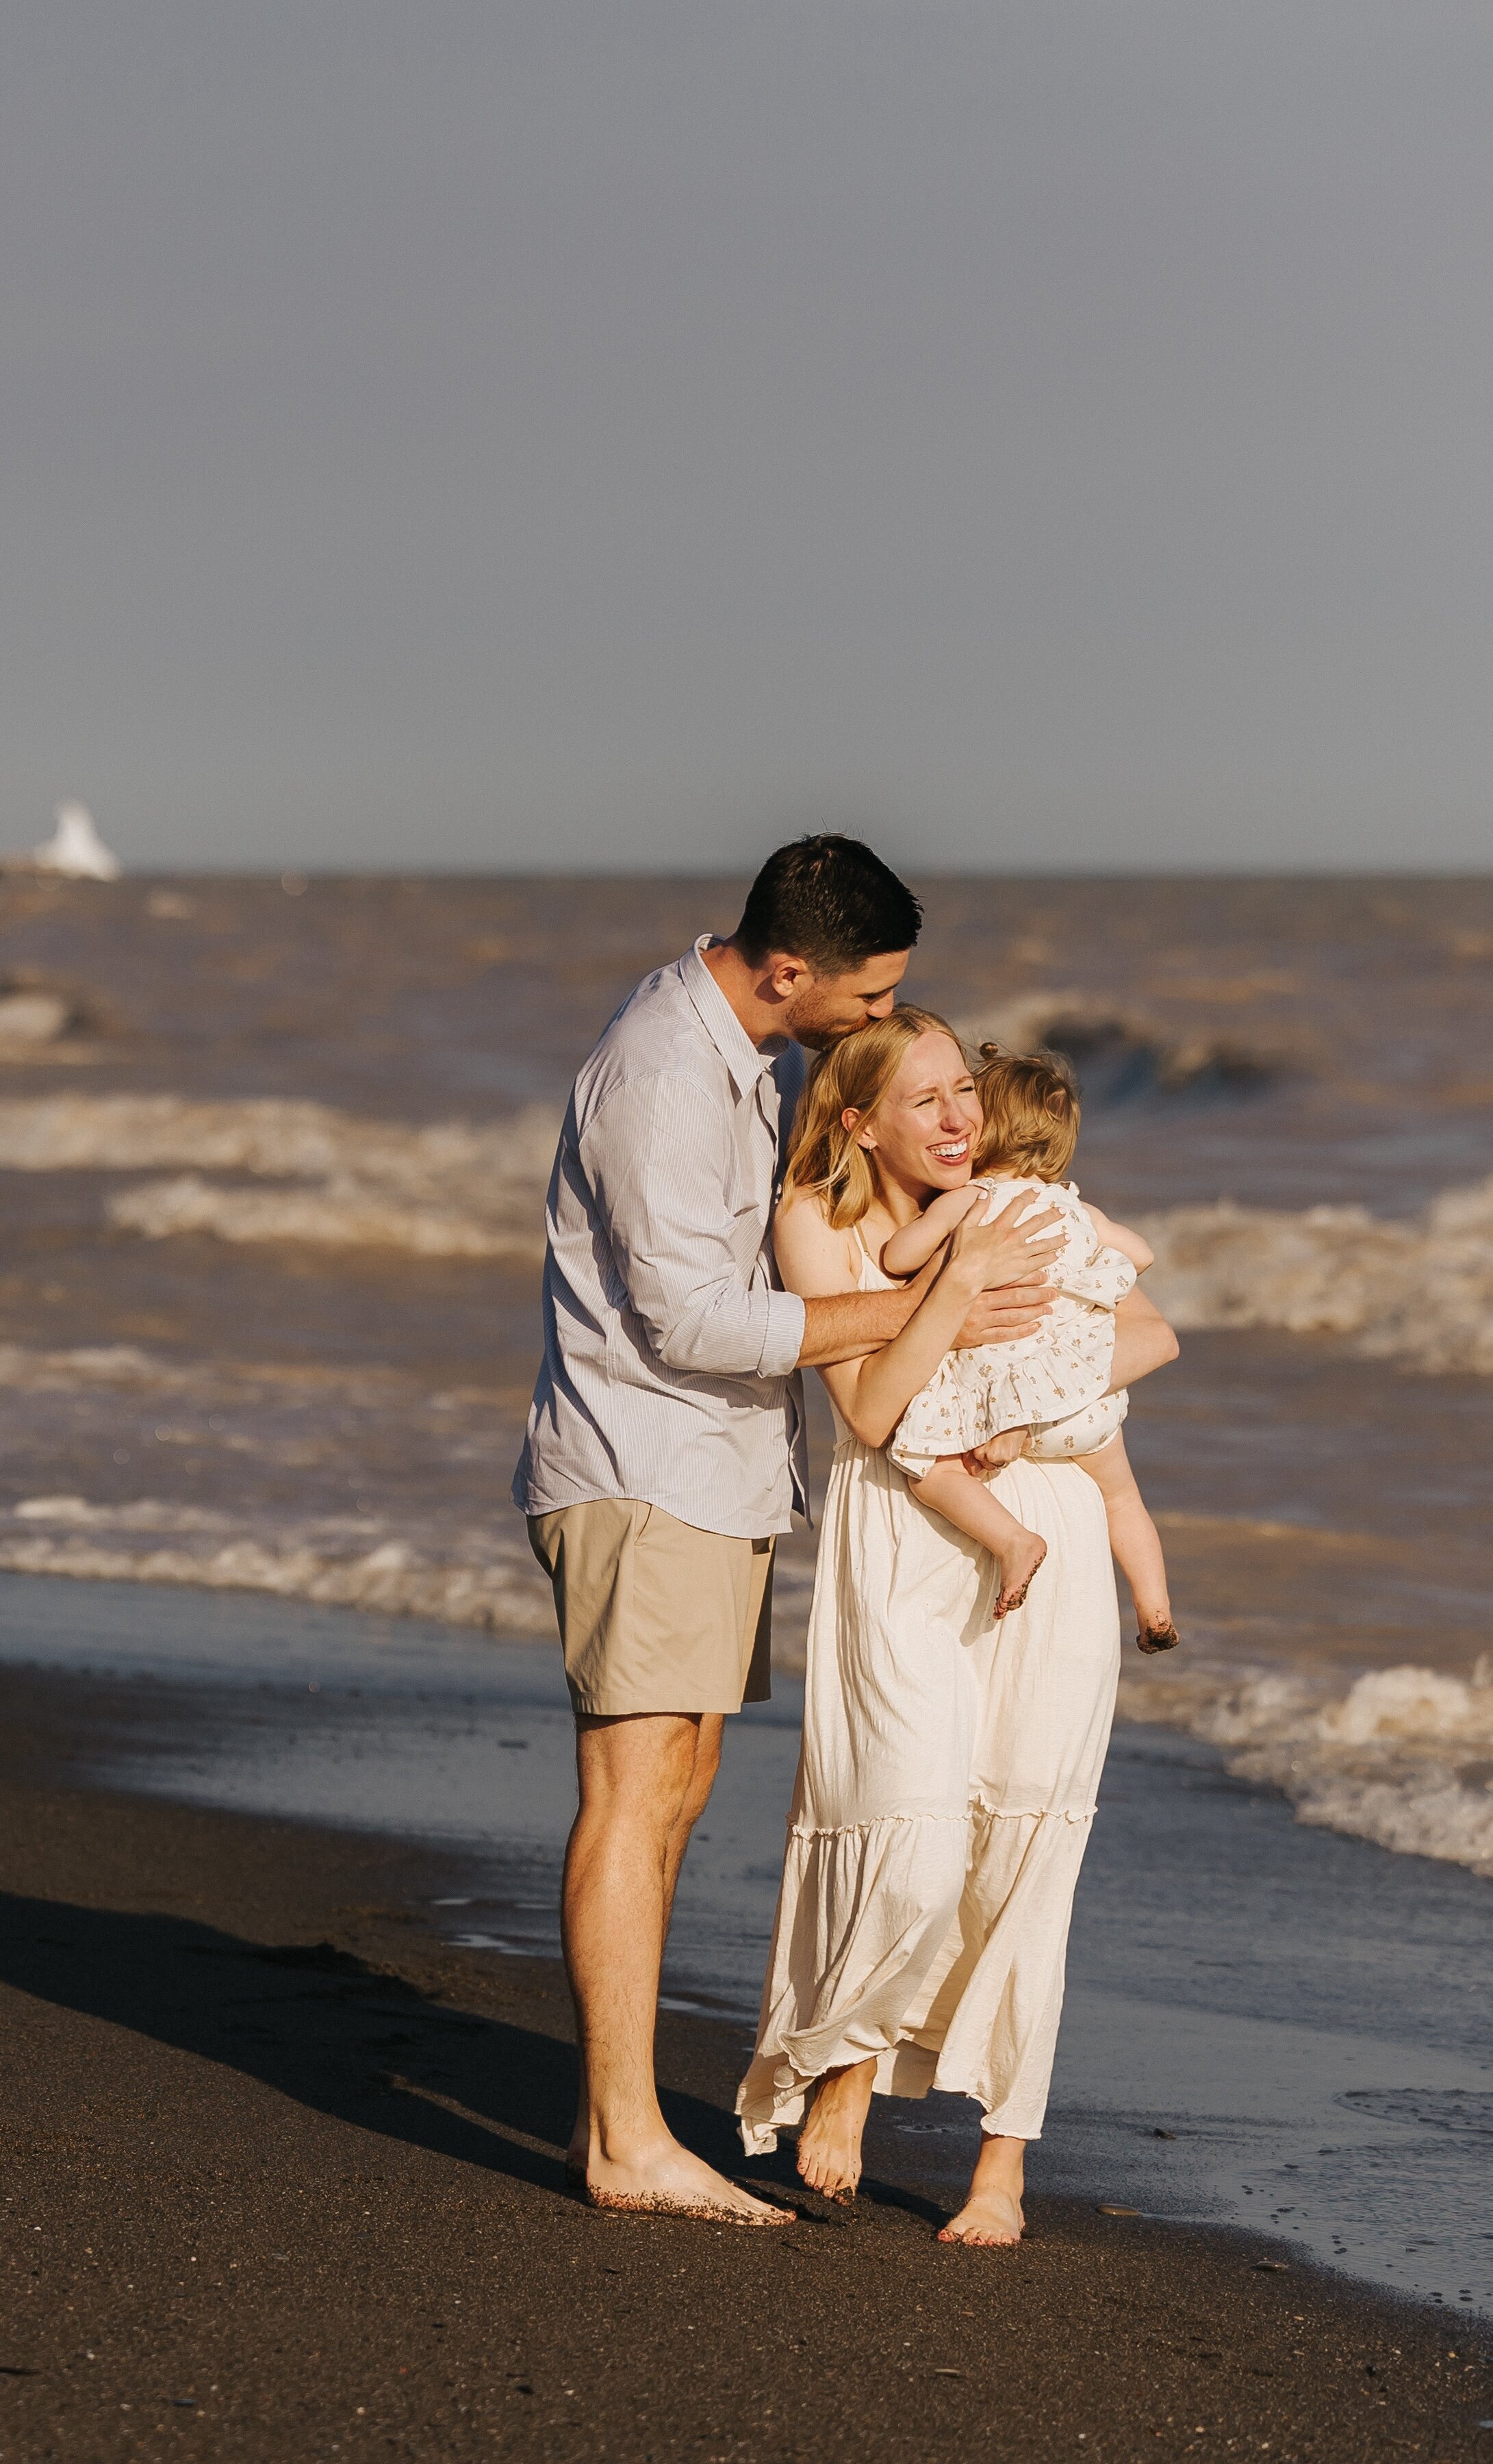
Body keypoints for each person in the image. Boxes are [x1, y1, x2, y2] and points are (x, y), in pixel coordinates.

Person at [512, 836, 1062, 2225]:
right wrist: (918, 1312)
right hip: (644, 1470)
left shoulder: (739, 1053)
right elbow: (690, 1321)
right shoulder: (661, 1077)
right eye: (872, 999)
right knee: (633, 1799)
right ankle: (627, 2146)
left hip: (710, 1476)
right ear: (788, 970)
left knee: (676, 1794)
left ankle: (620, 2124)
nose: (882, 1020)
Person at [736, 1010, 1179, 2244]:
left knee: (1027, 1843)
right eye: (925, 1100)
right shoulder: (816, 1225)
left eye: (963, 1094)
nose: (957, 1120)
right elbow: (874, 1413)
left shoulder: (1009, 1195)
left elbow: (1147, 1333)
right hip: (899, 1538)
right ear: (857, 1119)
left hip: (1047, 1519)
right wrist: (955, 1295)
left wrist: (1026, 1429)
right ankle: (847, 2068)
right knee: (913, 1833)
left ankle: (1003, 2166)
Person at [878, 1044, 1179, 1651]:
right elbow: (1141, 1255)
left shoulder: (973, 1201)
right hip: (1084, 1407)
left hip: (997, 1411)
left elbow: (897, 1257)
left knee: (928, 1472)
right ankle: (1155, 1611)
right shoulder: (1080, 1211)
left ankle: (1014, 1540)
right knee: (1123, 1499)